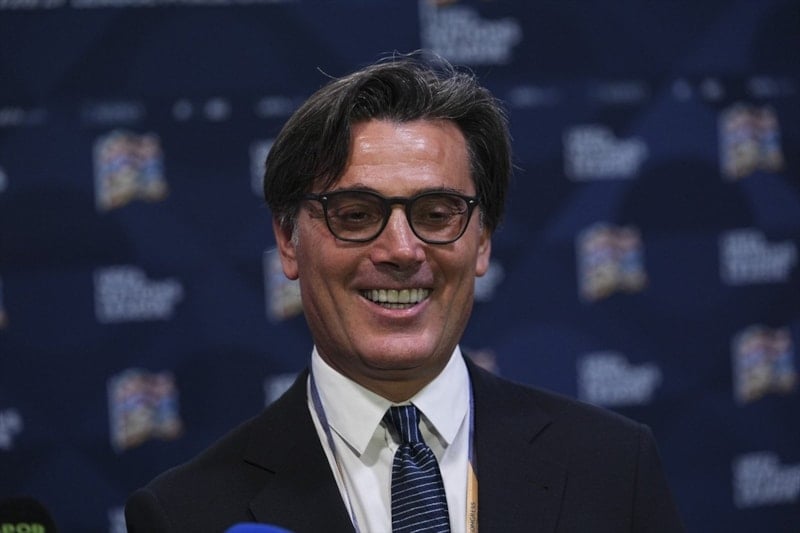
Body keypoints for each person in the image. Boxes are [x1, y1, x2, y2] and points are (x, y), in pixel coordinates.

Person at [125, 53, 685, 533]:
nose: (402, 249)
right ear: (288, 241)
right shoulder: (186, 515)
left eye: (437, 214)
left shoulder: (614, 468)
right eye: (355, 214)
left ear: (483, 240)